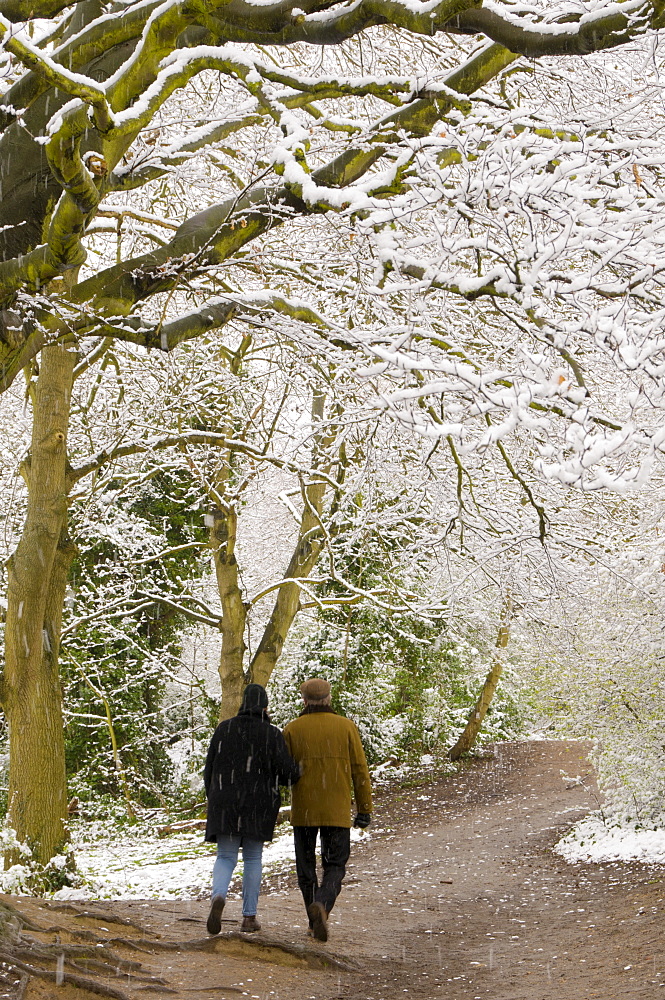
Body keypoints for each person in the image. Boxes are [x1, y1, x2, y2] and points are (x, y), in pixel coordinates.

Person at [203, 683, 300, 935]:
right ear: (265, 707)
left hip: (225, 801)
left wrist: (215, 797)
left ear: (242, 704)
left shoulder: (224, 729)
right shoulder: (271, 734)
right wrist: (299, 770)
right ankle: (249, 917)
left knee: (225, 856)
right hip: (259, 804)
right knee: (253, 859)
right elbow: (286, 774)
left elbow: (209, 769)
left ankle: (218, 896)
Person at [283, 677, 372, 943]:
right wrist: (364, 808)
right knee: (335, 865)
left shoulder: (292, 729)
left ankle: (313, 919)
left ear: (304, 700)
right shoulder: (346, 727)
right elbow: (359, 769)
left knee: (305, 867)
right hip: (336, 808)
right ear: (329, 698)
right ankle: (322, 904)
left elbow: (285, 772)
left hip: (305, 810)